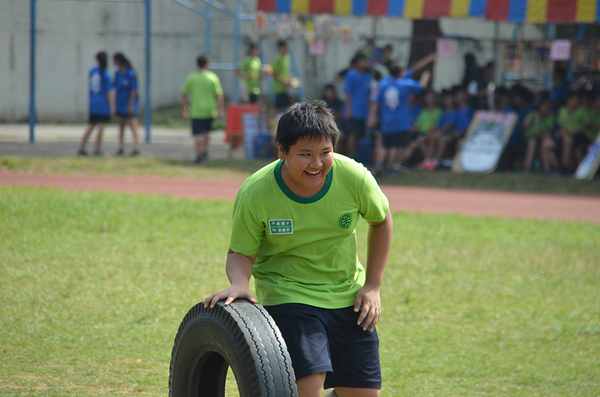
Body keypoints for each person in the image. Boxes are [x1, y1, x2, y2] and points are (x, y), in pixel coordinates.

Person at [204, 100, 393, 397]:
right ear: (282, 151)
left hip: (348, 295)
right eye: (305, 154)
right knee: (307, 389)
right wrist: (239, 283)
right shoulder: (256, 191)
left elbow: (381, 221)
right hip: (289, 295)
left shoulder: (354, 177)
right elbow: (240, 251)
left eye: (325, 153)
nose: (316, 164)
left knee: (362, 394)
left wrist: (373, 285)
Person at [368, 65, 430, 175]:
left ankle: (379, 164)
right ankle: (390, 168)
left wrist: (373, 116)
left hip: (387, 120)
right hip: (401, 121)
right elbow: (421, 86)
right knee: (395, 145)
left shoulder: (383, 83)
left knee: (384, 144)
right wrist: (425, 76)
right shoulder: (404, 84)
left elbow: (376, 101)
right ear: (400, 73)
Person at [181, 54, 225, 164]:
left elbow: (184, 93)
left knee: (198, 134)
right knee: (206, 132)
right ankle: (204, 151)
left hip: (197, 110)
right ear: (207, 64)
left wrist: (185, 107)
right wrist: (220, 110)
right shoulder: (212, 77)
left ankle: (199, 155)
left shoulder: (192, 77)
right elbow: (219, 95)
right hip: (210, 109)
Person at [78, 51, 114, 156]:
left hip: (93, 104)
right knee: (101, 127)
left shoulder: (92, 71)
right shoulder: (106, 74)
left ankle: (81, 148)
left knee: (91, 126)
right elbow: (109, 92)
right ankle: (97, 150)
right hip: (102, 105)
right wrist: (112, 105)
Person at [344, 53, 372, 159]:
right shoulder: (351, 75)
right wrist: (349, 109)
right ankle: (351, 156)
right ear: (357, 63)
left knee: (359, 134)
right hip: (354, 110)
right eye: (363, 61)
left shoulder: (367, 76)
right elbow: (347, 93)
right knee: (353, 133)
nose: (365, 63)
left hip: (363, 111)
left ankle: (356, 155)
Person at [406, 90, 442, 170]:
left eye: (432, 97)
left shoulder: (439, 111)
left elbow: (438, 126)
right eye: (428, 97)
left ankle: (429, 161)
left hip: (432, 134)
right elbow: (417, 125)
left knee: (426, 138)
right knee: (419, 140)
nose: (430, 99)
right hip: (422, 134)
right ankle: (429, 161)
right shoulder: (423, 111)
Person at [113, 52, 141, 156]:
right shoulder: (117, 73)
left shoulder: (130, 73)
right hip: (120, 103)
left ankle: (137, 148)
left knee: (133, 126)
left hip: (128, 104)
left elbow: (134, 90)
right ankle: (120, 148)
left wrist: (131, 104)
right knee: (121, 126)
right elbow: (115, 88)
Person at [522, 99, 557, 172]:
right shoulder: (532, 114)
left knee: (544, 145)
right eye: (544, 107)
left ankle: (547, 169)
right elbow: (524, 127)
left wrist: (540, 132)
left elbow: (549, 131)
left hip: (543, 137)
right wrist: (532, 119)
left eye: (548, 107)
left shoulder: (550, 115)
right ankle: (528, 168)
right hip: (531, 137)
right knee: (532, 143)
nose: (546, 109)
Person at [556, 93, 589, 172]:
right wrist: (565, 133)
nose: (576, 102)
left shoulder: (582, 111)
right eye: (574, 100)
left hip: (579, 135)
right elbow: (561, 125)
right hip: (566, 134)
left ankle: (565, 167)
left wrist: (576, 130)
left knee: (568, 141)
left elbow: (587, 126)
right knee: (566, 140)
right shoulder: (562, 110)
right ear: (568, 101)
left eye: (577, 101)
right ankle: (565, 167)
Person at [272, 40, 293, 113]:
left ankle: (269, 121)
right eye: (287, 46)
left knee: (277, 107)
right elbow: (274, 74)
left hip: (284, 88)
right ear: (282, 47)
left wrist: (290, 81)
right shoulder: (278, 58)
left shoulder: (287, 57)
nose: (289, 48)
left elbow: (287, 71)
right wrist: (284, 82)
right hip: (279, 87)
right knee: (289, 106)